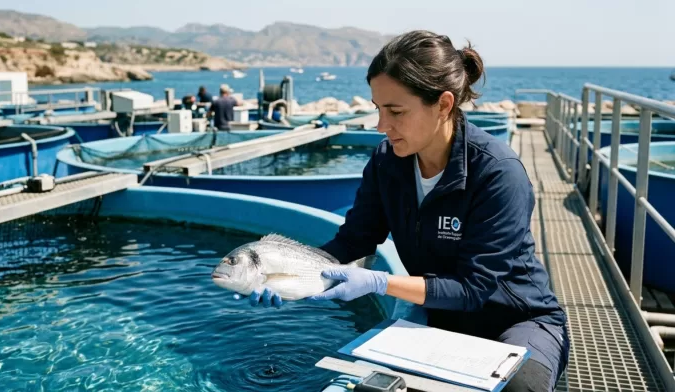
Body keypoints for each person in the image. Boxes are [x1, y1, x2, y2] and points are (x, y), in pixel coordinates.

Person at [239, 30, 570, 391]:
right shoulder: (387, 163)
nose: (382, 126)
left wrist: (380, 282)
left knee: (519, 388)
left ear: (443, 104)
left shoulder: (498, 172)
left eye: (396, 111)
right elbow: (353, 241)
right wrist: (287, 274)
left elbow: (474, 288)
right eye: (378, 109)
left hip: (518, 322)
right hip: (438, 317)